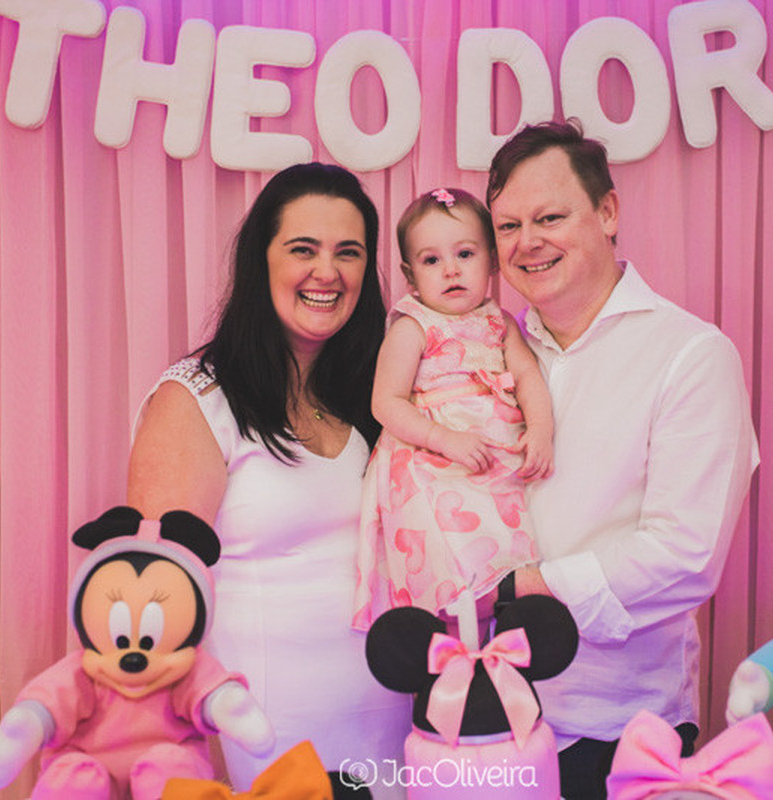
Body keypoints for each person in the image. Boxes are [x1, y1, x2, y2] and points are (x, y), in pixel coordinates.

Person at [483, 121, 759, 800]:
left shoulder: (690, 355)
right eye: (508, 225)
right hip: (482, 717)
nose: (528, 242)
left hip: (617, 728)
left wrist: (525, 588)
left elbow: (685, 555)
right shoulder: (485, 356)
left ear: (607, 213)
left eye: (550, 217)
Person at [127, 162, 410, 796]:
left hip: (399, 721)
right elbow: (157, 598)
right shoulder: (195, 398)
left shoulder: (381, 394)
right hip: (272, 735)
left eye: (348, 252)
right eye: (303, 249)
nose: (327, 272)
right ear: (262, 262)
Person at [352, 187, 553, 633]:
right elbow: (385, 402)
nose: (451, 270)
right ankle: (448, 632)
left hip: (493, 457)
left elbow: (528, 377)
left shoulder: (500, 322)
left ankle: (501, 631)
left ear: (492, 261)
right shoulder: (413, 326)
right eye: (431, 260)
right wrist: (444, 440)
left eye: (465, 253)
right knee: (448, 553)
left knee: (506, 548)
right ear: (410, 275)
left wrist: (540, 429)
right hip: (432, 459)